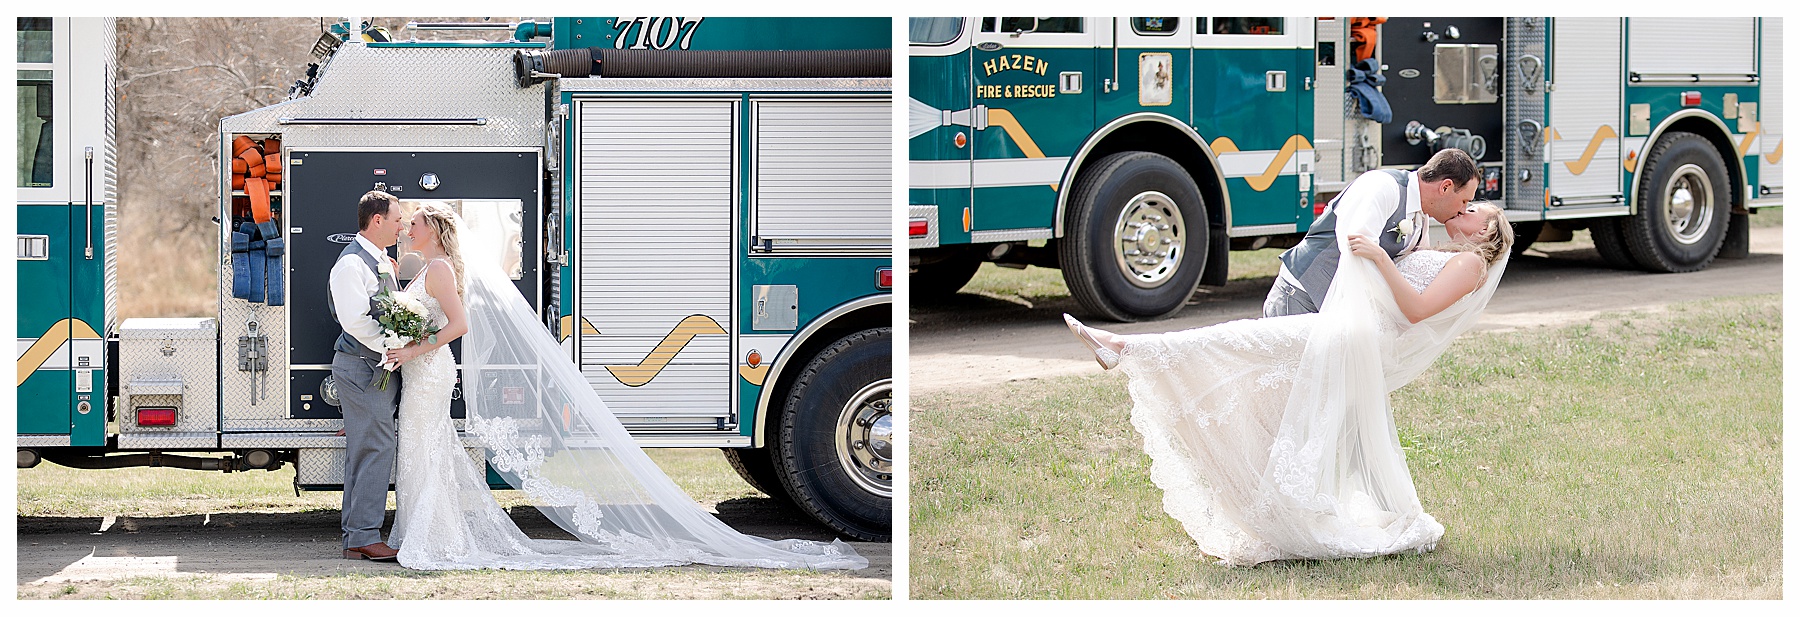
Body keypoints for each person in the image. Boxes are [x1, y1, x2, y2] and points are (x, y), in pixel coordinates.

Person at [380, 202, 866, 570]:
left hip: (429, 370)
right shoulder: (426, 267)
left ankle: (433, 536)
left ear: (436, 231)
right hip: (422, 369)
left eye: (415, 224)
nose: (408, 228)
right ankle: (425, 531)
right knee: (423, 449)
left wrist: (412, 348)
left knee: (426, 447)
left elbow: (459, 325)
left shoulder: (440, 268)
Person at [1064, 201, 1514, 566]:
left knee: (1240, 342)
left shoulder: (1472, 265)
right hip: (1344, 330)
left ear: (1487, 234)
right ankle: (1272, 511)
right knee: (1255, 375)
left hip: (1355, 338)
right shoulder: (1450, 255)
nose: (1465, 208)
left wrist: (1379, 255)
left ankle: (1125, 349)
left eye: (1476, 210)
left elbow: (1416, 310)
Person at [1265, 148, 1480, 317]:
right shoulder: (1383, 186)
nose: (1463, 209)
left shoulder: (1421, 216)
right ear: (1445, 187)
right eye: (1464, 201)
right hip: (1301, 297)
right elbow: (1357, 251)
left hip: (1334, 307)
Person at [326, 190, 407, 561]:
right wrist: (393, 347)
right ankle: (363, 536)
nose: (401, 225)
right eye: (396, 220)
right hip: (362, 368)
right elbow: (356, 321)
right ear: (377, 221)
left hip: (375, 367)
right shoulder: (350, 266)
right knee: (376, 448)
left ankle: (357, 537)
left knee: (369, 448)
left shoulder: (382, 262)